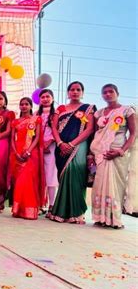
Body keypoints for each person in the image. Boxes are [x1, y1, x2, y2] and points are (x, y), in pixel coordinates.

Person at [48, 81, 95, 224]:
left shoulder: (88, 108)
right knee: (63, 176)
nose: (75, 92)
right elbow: (54, 128)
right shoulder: (60, 109)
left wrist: (72, 144)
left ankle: (76, 213)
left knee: (76, 174)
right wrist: (61, 143)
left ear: (82, 92)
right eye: (72, 89)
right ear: (68, 92)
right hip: (61, 147)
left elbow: (89, 129)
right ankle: (60, 211)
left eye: (78, 89)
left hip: (79, 147)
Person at [90, 84, 136, 229]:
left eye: (111, 91)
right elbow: (96, 134)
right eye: (105, 92)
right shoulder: (99, 113)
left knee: (115, 186)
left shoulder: (127, 111)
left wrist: (121, 151)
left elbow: (133, 134)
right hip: (101, 154)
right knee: (99, 185)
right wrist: (93, 153)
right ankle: (100, 217)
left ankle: (114, 219)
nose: (108, 94)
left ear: (117, 93)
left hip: (117, 153)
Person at [9, 98, 44, 220]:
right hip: (17, 153)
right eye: (22, 104)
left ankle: (29, 211)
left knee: (28, 181)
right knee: (18, 182)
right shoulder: (15, 121)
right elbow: (12, 139)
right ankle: (18, 210)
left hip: (31, 153)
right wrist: (15, 152)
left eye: (26, 104)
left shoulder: (36, 119)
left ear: (30, 106)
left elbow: (37, 137)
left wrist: (28, 151)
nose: (24, 106)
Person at [36, 89, 58, 214]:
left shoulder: (57, 114)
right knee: (39, 176)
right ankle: (39, 205)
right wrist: (39, 144)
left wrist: (48, 142)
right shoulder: (35, 114)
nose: (45, 99)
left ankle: (52, 205)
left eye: (47, 96)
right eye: (43, 97)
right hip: (37, 148)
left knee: (51, 176)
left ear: (52, 98)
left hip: (51, 147)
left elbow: (58, 130)